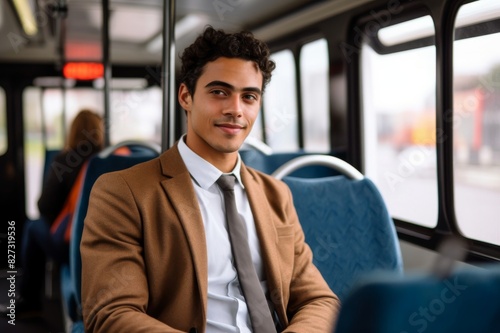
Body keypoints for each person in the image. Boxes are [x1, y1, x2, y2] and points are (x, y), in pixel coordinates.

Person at [81, 26, 340, 332]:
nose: (235, 110)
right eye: (219, 92)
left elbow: (319, 300)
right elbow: (112, 314)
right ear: (186, 96)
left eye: (249, 97)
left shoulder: (276, 194)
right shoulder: (123, 192)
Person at [1, 109, 104, 317]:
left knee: (33, 226)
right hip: (105, 243)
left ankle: (29, 299)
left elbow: (44, 206)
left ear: (73, 131)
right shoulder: (111, 161)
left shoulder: (65, 161)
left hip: (71, 246)